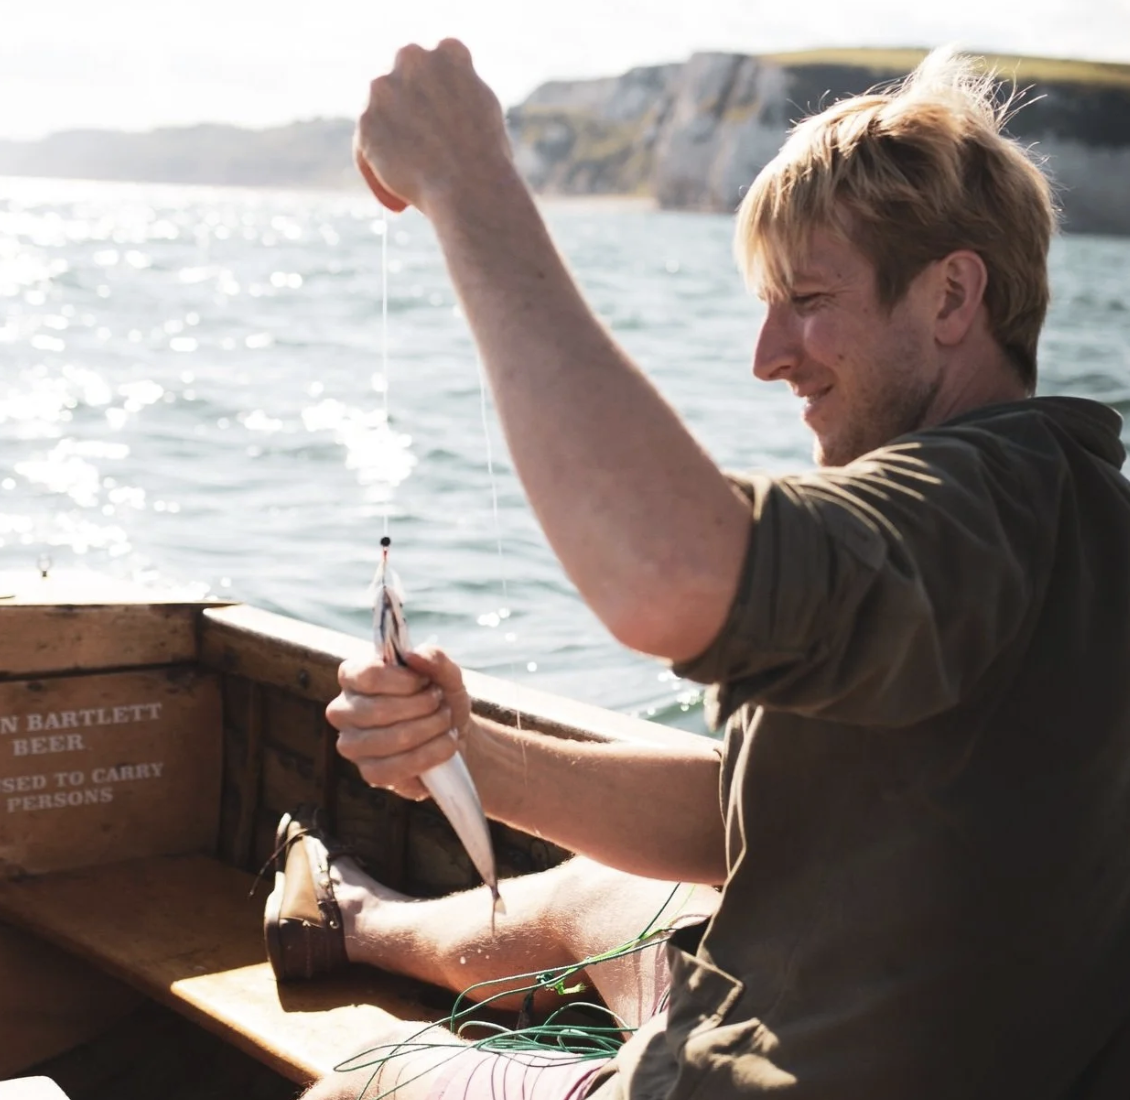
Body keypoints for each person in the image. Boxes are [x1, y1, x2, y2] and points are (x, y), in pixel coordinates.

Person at [265, 42, 1130, 1100]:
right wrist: (466, 751)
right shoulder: (1069, 510)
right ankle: (356, 919)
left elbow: (664, 574)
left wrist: (465, 174)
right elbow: (756, 808)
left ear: (951, 297)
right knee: (603, 897)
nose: (766, 356)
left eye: (807, 297)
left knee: (353, 1084)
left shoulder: (962, 503)